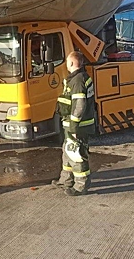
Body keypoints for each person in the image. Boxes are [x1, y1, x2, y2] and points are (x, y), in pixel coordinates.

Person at [51, 51, 96, 196]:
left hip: (77, 125)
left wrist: (74, 126)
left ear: (71, 63)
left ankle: (81, 186)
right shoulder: (78, 78)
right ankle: (66, 180)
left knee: (76, 154)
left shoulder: (78, 80)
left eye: (67, 62)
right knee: (67, 152)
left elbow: (80, 105)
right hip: (71, 124)